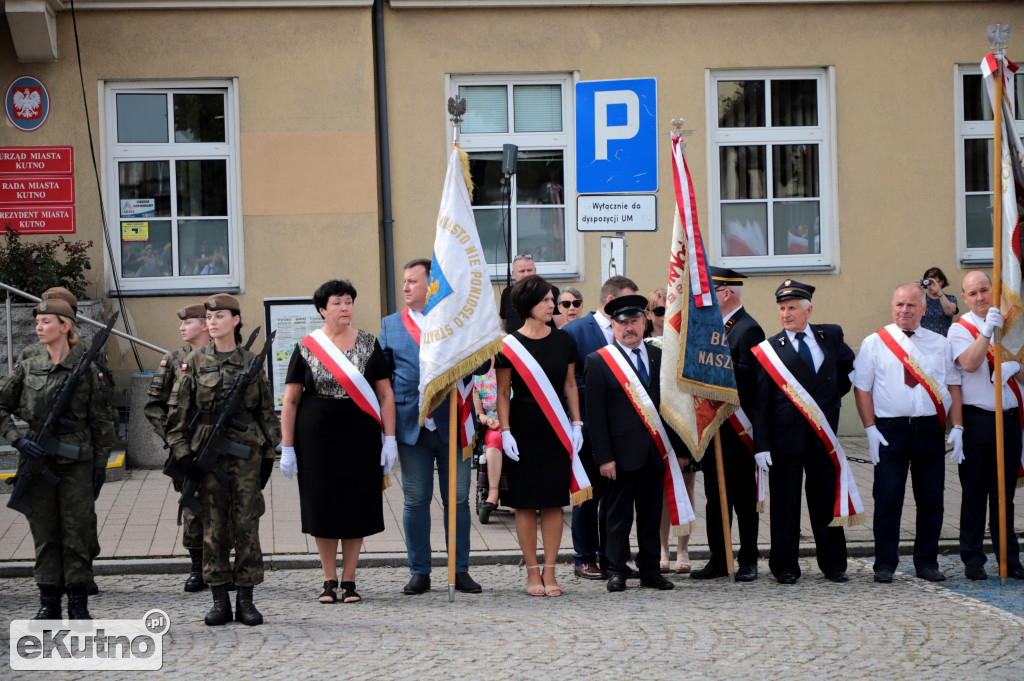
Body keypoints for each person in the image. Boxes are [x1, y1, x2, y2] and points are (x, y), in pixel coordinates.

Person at [165, 294, 282, 626]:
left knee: (247, 525)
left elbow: (265, 414)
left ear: (236, 320)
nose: (212, 322)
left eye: (220, 316)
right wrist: (185, 455)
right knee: (213, 528)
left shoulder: (251, 364)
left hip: (246, 457)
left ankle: (246, 600)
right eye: (209, 317)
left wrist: (271, 452)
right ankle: (219, 601)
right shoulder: (195, 362)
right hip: (207, 456)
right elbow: (177, 417)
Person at [280, 280, 396, 604]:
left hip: (360, 436)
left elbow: (385, 394)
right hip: (316, 439)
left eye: (349, 302)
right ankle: (328, 578)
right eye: (337, 303)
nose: (345, 308)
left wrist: (391, 439)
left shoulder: (370, 344)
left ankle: (350, 580)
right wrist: (287, 447)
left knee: (356, 504)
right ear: (322, 310)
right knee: (323, 505)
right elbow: (291, 400)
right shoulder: (306, 347)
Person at [0, 294, 115, 620]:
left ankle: (78, 603)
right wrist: (17, 440)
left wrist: (100, 464)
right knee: (45, 535)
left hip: (76, 462)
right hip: (37, 462)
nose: (38, 327)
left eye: (45, 321)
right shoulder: (29, 365)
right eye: (37, 321)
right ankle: (48, 603)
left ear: (65, 327)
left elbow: (101, 421)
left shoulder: (86, 369)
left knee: (77, 533)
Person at [379, 258, 481, 595]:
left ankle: (459, 569)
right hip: (413, 427)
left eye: (412, 281)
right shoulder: (391, 325)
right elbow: (383, 380)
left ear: (431, 285)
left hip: (454, 425)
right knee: (416, 500)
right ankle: (420, 570)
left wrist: (479, 337)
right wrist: (387, 433)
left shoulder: (457, 320)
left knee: (459, 501)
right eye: (404, 282)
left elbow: (479, 368)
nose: (405, 288)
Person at [854, 283, 963, 583]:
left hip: (929, 430)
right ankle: (885, 564)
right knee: (888, 499)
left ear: (924, 310)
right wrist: (870, 428)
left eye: (911, 305)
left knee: (931, 500)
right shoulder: (875, 342)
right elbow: (861, 388)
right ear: (893, 307)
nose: (905, 310)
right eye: (900, 304)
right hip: (891, 430)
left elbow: (953, 386)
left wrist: (958, 427)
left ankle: (927, 562)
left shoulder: (940, 343)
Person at [751, 280, 857, 584]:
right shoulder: (770, 350)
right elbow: (760, 402)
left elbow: (847, 368)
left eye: (792, 307)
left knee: (826, 499)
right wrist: (761, 445)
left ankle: (834, 564)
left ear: (808, 310)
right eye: (782, 308)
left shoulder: (830, 335)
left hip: (822, 434)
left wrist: (831, 400)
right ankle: (784, 565)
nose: (786, 313)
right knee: (785, 503)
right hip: (785, 438)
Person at [496, 275, 583, 596]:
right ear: (528, 305)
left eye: (553, 299)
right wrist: (504, 431)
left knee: (553, 502)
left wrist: (577, 424)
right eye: (546, 300)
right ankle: (532, 573)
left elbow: (570, 384)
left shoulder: (564, 340)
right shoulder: (508, 345)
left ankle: (551, 572)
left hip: (557, 427)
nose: (553, 305)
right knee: (524, 504)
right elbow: (503, 392)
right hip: (522, 426)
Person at [585, 294, 678, 592]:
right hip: (619, 456)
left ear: (644, 321)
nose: (629, 328)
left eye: (635, 321)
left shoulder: (658, 357)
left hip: (654, 451)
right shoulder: (599, 361)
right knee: (617, 516)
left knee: (651, 514)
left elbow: (669, 406)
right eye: (622, 322)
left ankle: (650, 569)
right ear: (613, 325)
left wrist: (678, 450)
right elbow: (595, 416)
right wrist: (604, 457)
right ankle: (616, 570)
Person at [947, 271, 1024, 580]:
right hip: (978, 420)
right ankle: (973, 558)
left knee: (1005, 494)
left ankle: (1009, 558)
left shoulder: (1012, 326)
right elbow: (969, 363)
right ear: (964, 298)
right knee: (975, 492)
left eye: (984, 290)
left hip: (1009, 420)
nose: (980, 297)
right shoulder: (959, 329)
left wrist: (1015, 365)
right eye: (973, 293)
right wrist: (987, 332)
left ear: (994, 291)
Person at [690, 268, 765, 582]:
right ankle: (719, 559)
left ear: (726, 293)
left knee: (744, 500)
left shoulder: (747, 328)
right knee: (715, 497)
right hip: (714, 428)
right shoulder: (712, 328)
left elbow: (750, 375)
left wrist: (712, 359)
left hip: (738, 428)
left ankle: (747, 559)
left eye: (710, 292)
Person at [563, 275, 639, 580]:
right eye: (627, 300)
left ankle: (615, 558)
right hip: (588, 428)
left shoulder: (631, 331)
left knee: (617, 498)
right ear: (611, 302)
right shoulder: (576, 331)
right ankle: (584, 557)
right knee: (587, 495)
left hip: (622, 430)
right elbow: (569, 379)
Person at [145, 302, 212, 593]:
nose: (182, 327)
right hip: (185, 447)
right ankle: (197, 568)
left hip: (216, 444)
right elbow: (153, 406)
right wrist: (174, 439)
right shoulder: (173, 359)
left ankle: (222, 566)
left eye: (189, 322)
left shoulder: (222, 356)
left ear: (205, 325)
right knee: (192, 506)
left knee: (225, 507)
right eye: (181, 323)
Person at [499, 254, 561, 333]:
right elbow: (504, 323)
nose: (526, 274)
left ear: (535, 270)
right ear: (513, 273)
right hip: (514, 343)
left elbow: (560, 325)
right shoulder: (506, 292)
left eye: (529, 270)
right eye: (522, 271)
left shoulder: (551, 291)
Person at [473, 362, 503, 522]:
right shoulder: (479, 379)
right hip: (493, 426)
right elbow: (478, 413)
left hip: (517, 424)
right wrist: (488, 420)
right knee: (496, 438)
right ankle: (493, 492)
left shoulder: (517, 374)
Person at [918, 267, 958, 337]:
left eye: (936, 282)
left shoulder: (950, 298)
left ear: (942, 282)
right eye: (929, 282)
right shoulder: (920, 298)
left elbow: (950, 312)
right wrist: (915, 290)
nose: (932, 286)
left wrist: (939, 292)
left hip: (943, 341)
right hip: (924, 341)